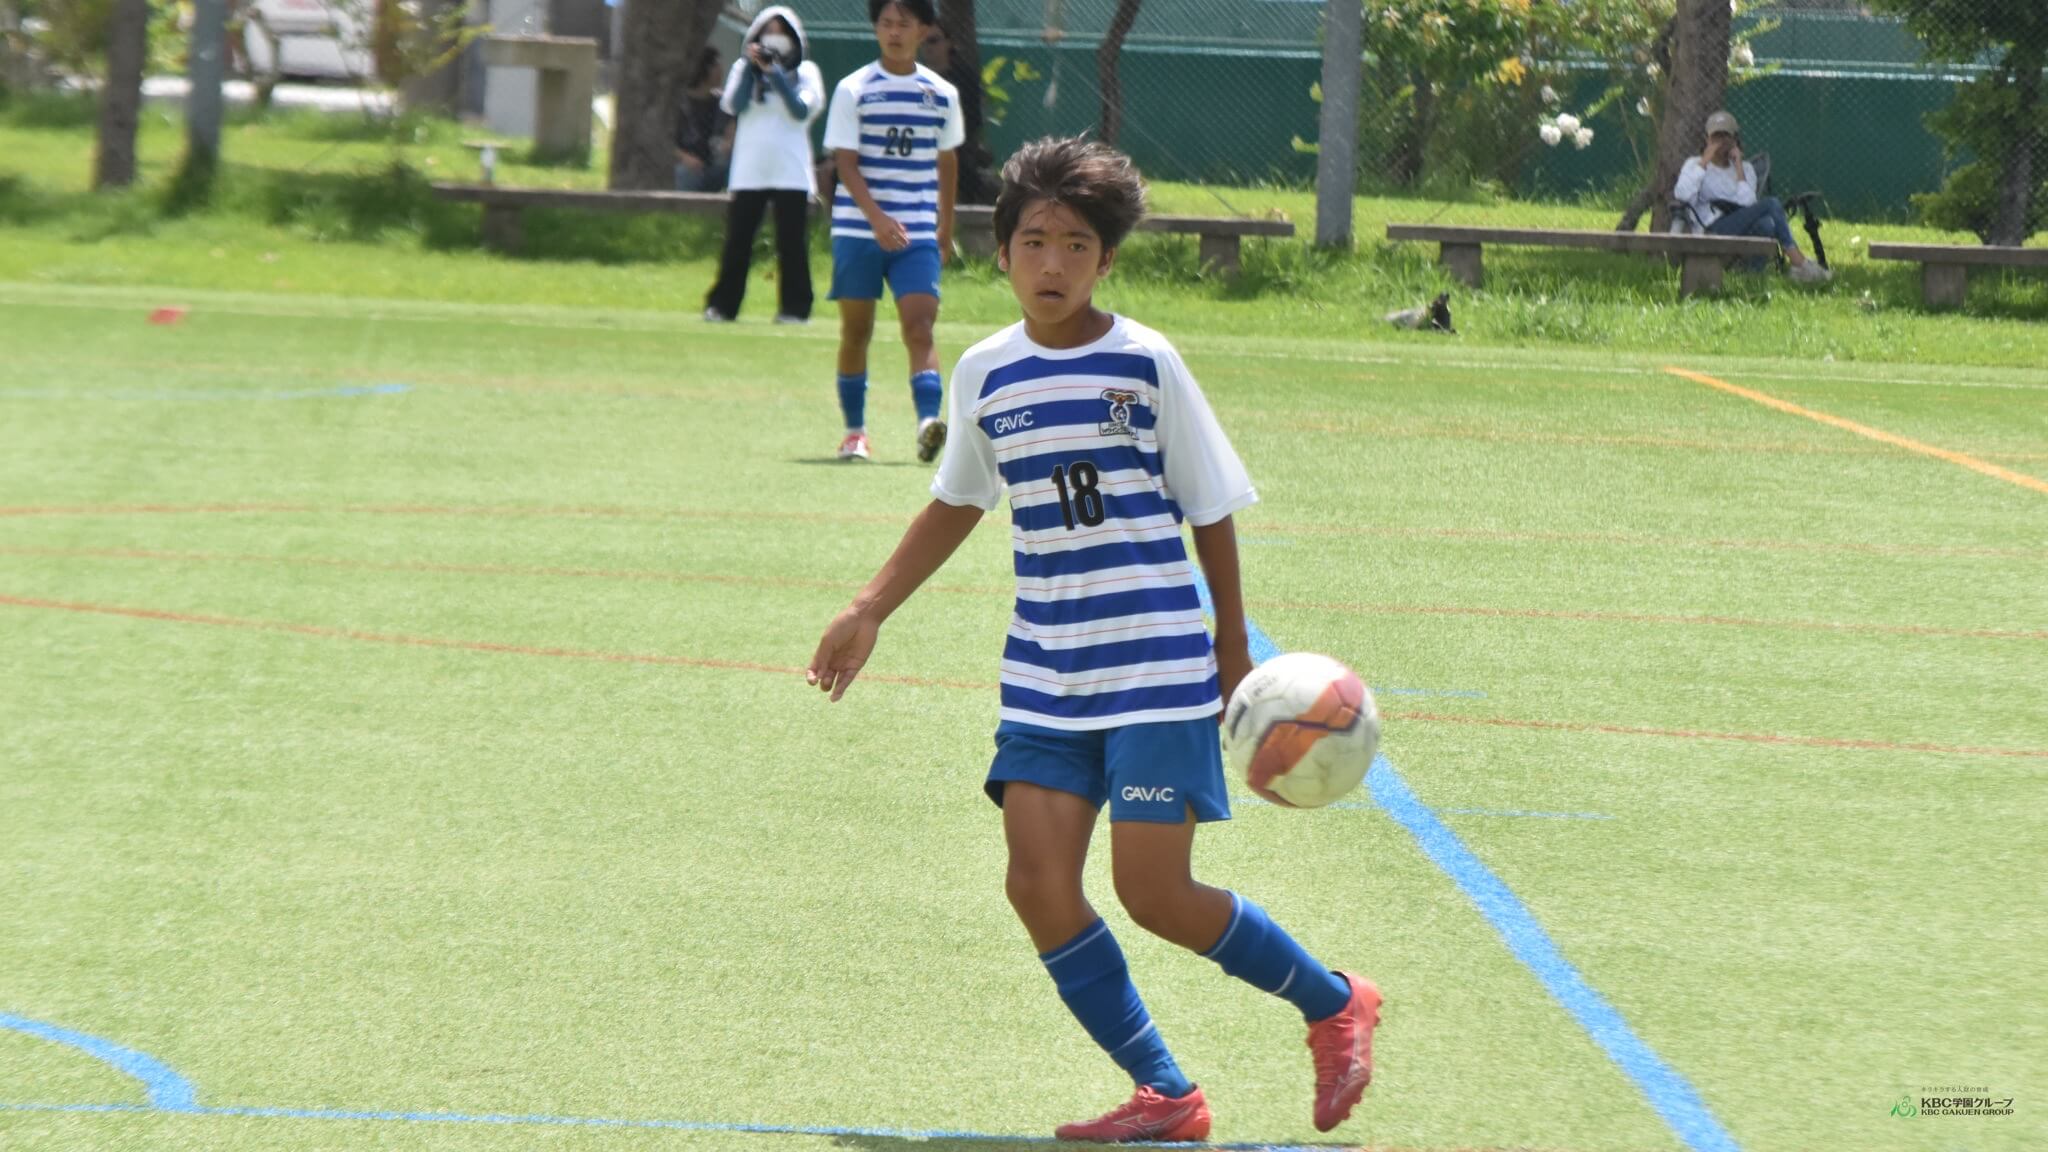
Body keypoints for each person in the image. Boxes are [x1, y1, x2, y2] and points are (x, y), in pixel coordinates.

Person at [805, 137, 1382, 1144]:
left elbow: (1211, 506)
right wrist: (869, 607)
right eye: (1034, 242)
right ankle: (1166, 1094)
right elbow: (959, 500)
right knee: (1035, 884)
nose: (1053, 264)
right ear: (1001, 254)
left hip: (1156, 669)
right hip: (1045, 674)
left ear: (1105, 260)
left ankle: (1334, 1003)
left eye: (1076, 245)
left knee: (1152, 893)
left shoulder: (1146, 362)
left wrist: (1231, 651)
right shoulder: (984, 372)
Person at [820, 0, 963, 463]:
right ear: (876, 29)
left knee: (920, 327)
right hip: (858, 231)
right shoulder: (854, 89)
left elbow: (947, 160)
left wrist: (945, 227)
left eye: (904, 23)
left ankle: (928, 423)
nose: (894, 32)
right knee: (856, 330)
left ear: (923, 30)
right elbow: (845, 164)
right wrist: (877, 219)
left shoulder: (941, 93)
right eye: (886, 23)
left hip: (916, 232)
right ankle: (854, 432)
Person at [703, 8, 825, 324]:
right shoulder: (742, 68)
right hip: (750, 170)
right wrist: (751, 67)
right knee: (738, 240)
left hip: (791, 170)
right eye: (768, 32)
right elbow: (735, 104)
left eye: (781, 33)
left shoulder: (806, 72)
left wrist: (776, 74)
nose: (774, 39)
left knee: (792, 242)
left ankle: (795, 309)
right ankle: (723, 306)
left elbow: (800, 110)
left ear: (794, 39)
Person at [1674, 111, 1831, 283]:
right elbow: (1682, 195)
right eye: (1716, 137)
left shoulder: (1746, 169)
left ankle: (1752, 277)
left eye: (1725, 137)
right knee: (1771, 203)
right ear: (1707, 139)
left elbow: (1748, 202)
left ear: (1734, 140)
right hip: (1711, 227)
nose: (1721, 142)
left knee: (1767, 224)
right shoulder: (1694, 164)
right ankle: (1798, 262)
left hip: (1739, 223)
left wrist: (1738, 166)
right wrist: (1704, 161)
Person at [675, 47, 730, 194]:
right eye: (716, 65)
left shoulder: (723, 102)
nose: (721, 69)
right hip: (689, 167)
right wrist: (685, 158)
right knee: (684, 172)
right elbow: (663, 142)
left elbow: (731, 131)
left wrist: (728, 142)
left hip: (716, 166)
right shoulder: (678, 104)